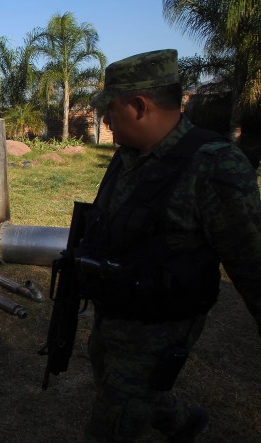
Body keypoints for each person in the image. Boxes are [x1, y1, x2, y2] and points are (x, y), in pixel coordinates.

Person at [79, 49, 261, 442]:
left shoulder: (214, 166)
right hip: (116, 310)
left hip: (160, 321)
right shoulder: (127, 157)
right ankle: (182, 422)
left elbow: (252, 262)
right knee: (111, 373)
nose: (104, 119)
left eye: (109, 109)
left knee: (115, 416)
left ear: (139, 106)